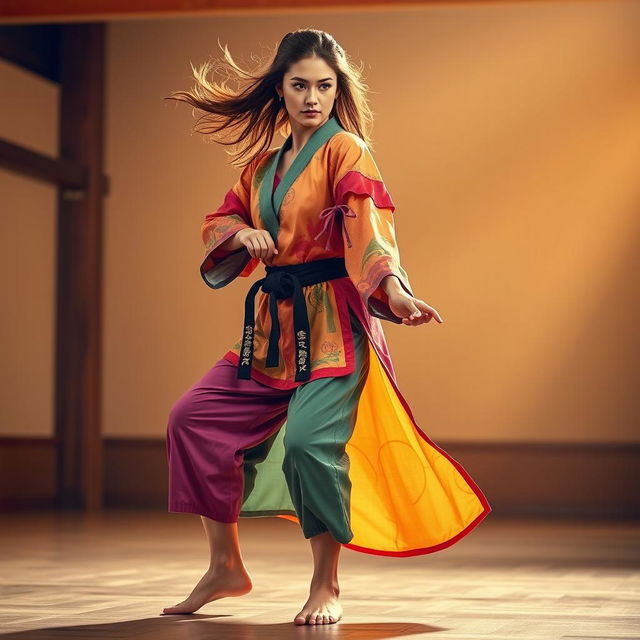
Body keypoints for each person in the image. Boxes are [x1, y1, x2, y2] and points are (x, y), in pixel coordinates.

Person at [162, 29, 491, 626]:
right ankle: (224, 565)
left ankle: (326, 584)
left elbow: (370, 229)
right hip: (270, 330)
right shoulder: (262, 167)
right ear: (280, 91)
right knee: (193, 419)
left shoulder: (347, 151)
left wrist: (394, 291)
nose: (312, 97)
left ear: (337, 90)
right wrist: (243, 235)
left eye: (324, 85)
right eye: (299, 85)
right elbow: (221, 219)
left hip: (334, 325)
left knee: (312, 445)